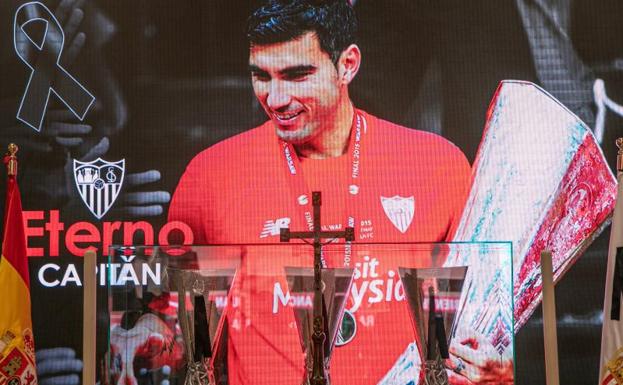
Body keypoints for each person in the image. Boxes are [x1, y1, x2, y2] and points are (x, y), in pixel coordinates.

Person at [168, 0, 473, 383]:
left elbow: (473, 325)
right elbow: (187, 342)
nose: (275, 99)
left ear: (347, 65)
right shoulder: (210, 176)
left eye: (297, 75)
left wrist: (491, 368)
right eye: (261, 76)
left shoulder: (436, 165)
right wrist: (154, 335)